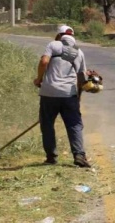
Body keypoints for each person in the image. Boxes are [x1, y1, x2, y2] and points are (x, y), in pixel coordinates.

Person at [34, 25, 92, 168]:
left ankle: (51, 157)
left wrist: (39, 79)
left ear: (59, 36)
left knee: (47, 125)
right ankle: (79, 155)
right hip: (68, 94)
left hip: (49, 93)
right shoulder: (78, 52)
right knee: (74, 125)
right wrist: (78, 97)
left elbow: (44, 62)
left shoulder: (53, 45)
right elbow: (81, 78)